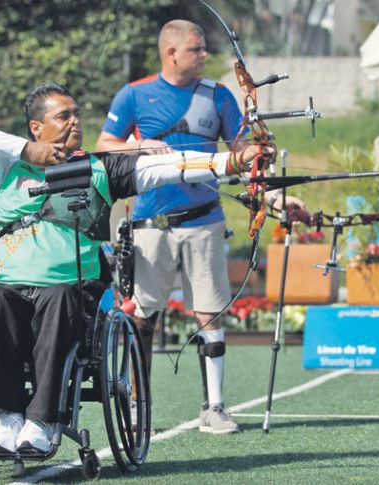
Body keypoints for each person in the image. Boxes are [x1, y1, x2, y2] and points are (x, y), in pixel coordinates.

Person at [0, 82, 279, 454]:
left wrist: (234, 161)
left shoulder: (103, 167)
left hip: (69, 290)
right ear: (36, 127)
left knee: (60, 296)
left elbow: (173, 166)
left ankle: (40, 421)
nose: (75, 121)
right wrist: (26, 150)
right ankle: (7, 417)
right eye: (63, 116)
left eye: (77, 114)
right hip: (9, 286)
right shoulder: (5, 167)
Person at [95, 19, 304, 435]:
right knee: (142, 318)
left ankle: (215, 407)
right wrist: (140, 146)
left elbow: (242, 156)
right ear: (171, 53)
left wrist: (273, 192)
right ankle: (138, 406)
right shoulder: (134, 94)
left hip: (205, 221)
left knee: (211, 315)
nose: (204, 54)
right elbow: (104, 146)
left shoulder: (218, 95)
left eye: (204, 47)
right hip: (150, 224)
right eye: (196, 49)